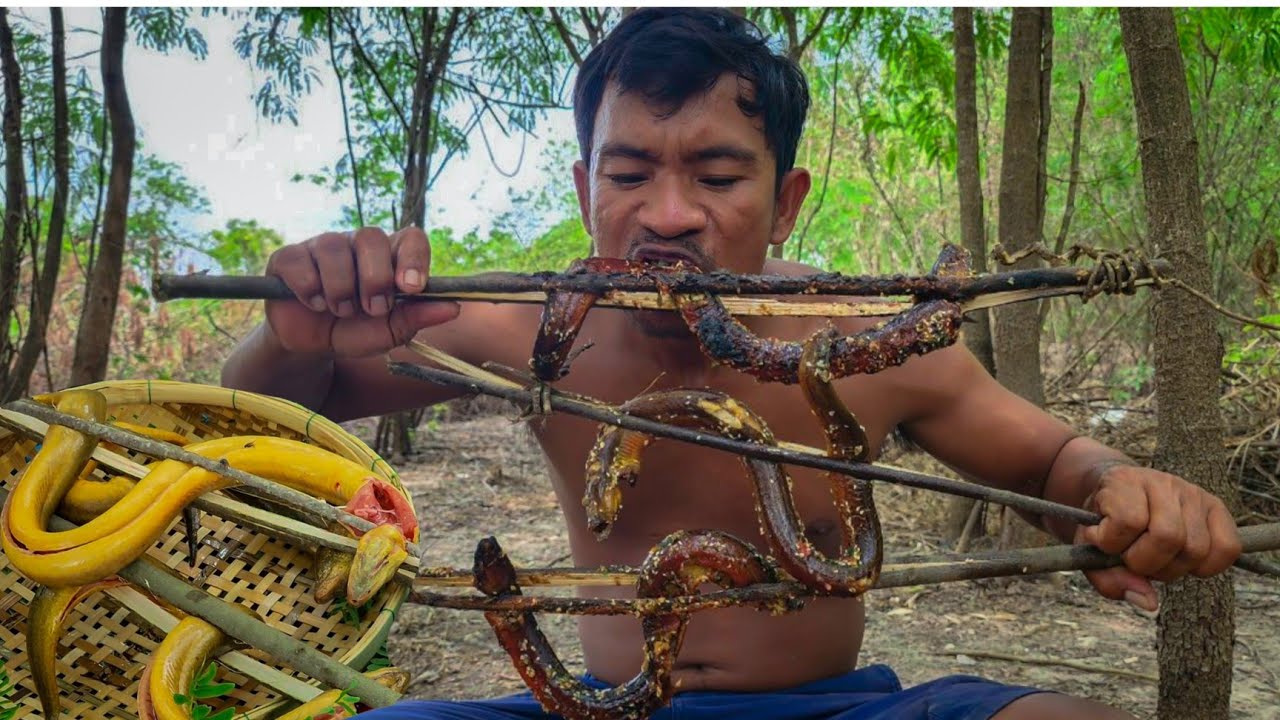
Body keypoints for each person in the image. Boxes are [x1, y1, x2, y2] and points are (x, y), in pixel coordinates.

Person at [222, 9, 1241, 720]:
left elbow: (1051, 469)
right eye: (628, 173)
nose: (668, 215)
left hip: (839, 710)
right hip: (581, 710)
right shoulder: (529, 330)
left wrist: (1120, 491)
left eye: (715, 174)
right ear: (585, 186)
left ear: (785, 198)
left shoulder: (862, 340)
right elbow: (255, 428)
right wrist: (290, 334)